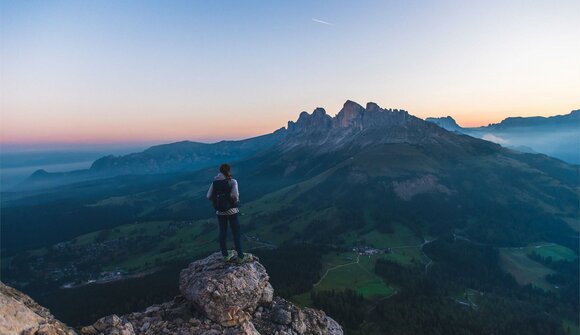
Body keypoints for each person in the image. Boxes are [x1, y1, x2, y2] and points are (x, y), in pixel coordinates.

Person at [206, 163, 248, 264]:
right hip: (232, 211)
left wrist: (217, 201)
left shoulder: (215, 182)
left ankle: (225, 256)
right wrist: (232, 201)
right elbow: (235, 195)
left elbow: (208, 196)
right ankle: (240, 256)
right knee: (236, 233)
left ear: (220, 171)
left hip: (220, 212)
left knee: (222, 233)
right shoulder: (232, 181)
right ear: (229, 170)